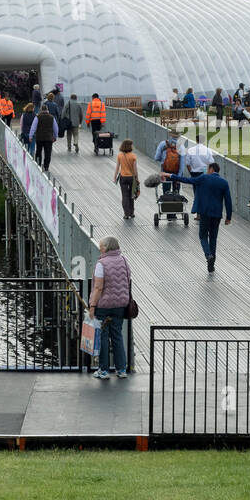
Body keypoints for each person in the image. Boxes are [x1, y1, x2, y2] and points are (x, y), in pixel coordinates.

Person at [162, 162, 233, 273]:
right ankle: (212, 262)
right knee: (213, 237)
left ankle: (208, 255)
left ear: (211, 169)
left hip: (204, 213)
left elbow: (187, 180)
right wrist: (228, 216)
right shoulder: (224, 182)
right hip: (217, 214)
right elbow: (228, 200)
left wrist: (170, 175)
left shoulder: (203, 178)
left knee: (203, 236)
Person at [88, 236, 133, 380]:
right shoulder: (124, 260)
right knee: (117, 336)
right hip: (120, 305)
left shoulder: (101, 264)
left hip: (104, 306)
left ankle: (104, 370)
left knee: (103, 336)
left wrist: (92, 306)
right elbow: (127, 278)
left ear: (106, 247)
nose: (100, 248)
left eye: (101, 246)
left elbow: (98, 287)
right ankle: (121, 369)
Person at [29, 102, 58, 169]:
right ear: (47, 110)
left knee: (38, 151)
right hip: (49, 138)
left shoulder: (37, 117)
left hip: (39, 137)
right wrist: (55, 136)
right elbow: (56, 128)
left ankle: (38, 165)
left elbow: (33, 127)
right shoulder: (52, 117)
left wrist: (31, 136)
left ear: (41, 110)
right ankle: (46, 166)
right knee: (48, 153)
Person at [115, 139, 139, 219]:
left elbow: (117, 167)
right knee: (131, 195)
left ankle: (126, 214)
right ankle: (132, 213)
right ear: (129, 146)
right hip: (131, 178)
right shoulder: (133, 156)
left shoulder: (120, 155)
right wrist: (137, 178)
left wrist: (114, 177)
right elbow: (135, 169)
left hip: (123, 178)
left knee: (124, 195)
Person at [155, 129, 184, 194]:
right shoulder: (181, 147)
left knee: (166, 193)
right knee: (176, 195)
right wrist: (179, 177)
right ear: (179, 136)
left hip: (165, 172)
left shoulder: (163, 144)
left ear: (170, 135)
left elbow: (156, 158)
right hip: (177, 173)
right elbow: (182, 165)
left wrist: (164, 160)